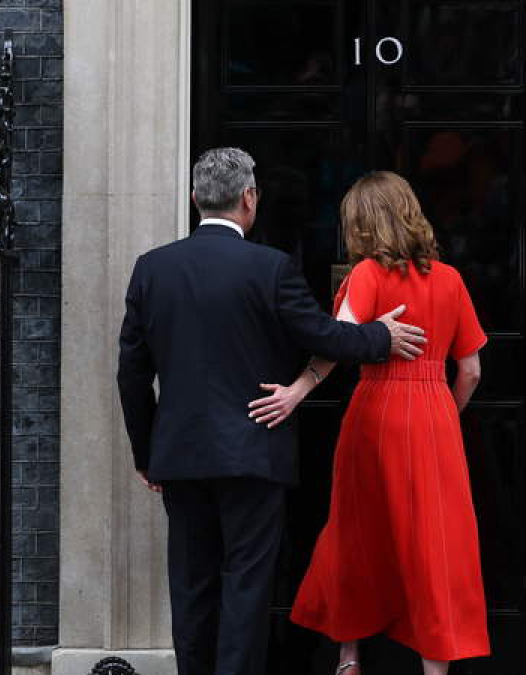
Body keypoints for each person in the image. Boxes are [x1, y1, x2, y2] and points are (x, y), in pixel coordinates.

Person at [116, 148, 428, 675]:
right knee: (246, 585)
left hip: (181, 457)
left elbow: (131, 373)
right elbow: (321, 334)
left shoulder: (153, 269)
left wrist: (147, 453)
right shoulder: (270, 267)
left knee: (192, 587)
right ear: (249, 198)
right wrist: (380, 335)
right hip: (254, 449)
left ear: (196, 198)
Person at [247, 171, 490, 675]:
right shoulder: (450, 279)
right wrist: (445, 413)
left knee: (356, 530)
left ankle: (350, 656)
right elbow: (471, 370)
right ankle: (435, 668)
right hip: (434, 415)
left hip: (376, 410)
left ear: (360, 225)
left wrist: (296, 390)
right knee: (435, 541)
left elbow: (339, 344)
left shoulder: (366, 275)